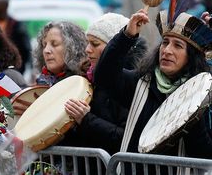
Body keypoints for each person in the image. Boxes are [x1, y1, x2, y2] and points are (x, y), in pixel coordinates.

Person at [94, 9, 212, 159]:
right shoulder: (140, 83)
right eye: (165, 42)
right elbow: (104, 77)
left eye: (177, 45)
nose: (167, 50)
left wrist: (193, 112)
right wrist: (127, 36)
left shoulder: (211, 101)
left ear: (192, 56)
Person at [60, 13, 147, 154]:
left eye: (95, 44)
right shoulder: (85, 80)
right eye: (87, 42)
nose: (87, 49)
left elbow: (125, 139)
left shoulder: (131, 85)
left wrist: (86, 119)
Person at [34, 21, 87, 86]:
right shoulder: (40, 84)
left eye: (54, 44)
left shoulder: (82, 85)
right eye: (44, 45)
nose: (46, 50)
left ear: (73, 47)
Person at [0, 0, 31, 74]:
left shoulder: (17, 25)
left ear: (6, 6)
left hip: (14, 69)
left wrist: (20, 68)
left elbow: (26, 49)